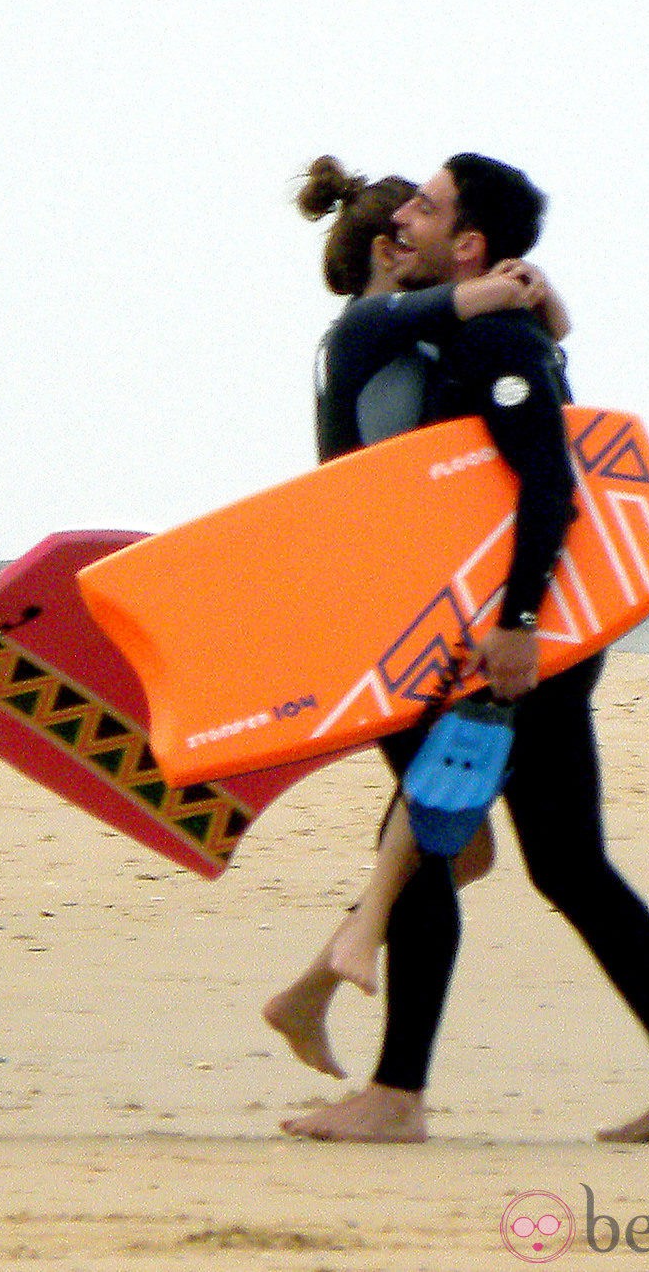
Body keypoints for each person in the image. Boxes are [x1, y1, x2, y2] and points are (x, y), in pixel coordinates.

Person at [276, 153, 649, 1144]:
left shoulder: (483, 338)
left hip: (485, 640)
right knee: (561, 866)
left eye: (427, 208)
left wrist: (517, 625)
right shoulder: (440, 332)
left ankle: (393, 1092)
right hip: (483, 631)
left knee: (438, 845)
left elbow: (549, 483)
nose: (407, 217)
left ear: (468, 241)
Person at [263, 155, 570, 1079]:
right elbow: (470, 310)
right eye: (410, 228)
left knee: (461, 838)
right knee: (444, 824)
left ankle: (317, 984)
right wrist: (519, 292)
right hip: (386, 609)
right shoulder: (364, 328)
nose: (419, 242)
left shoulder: (394, 340)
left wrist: (542, 308)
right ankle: (354, 983)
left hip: (405, 598)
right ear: (391, 253)